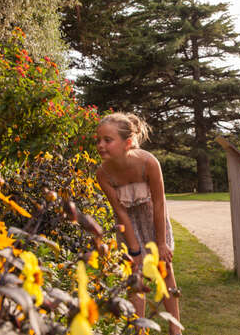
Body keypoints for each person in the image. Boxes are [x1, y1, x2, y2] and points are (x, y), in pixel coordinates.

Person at [95, 112, 182, 334]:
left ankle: (175, 329)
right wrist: (134, 250)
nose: (101, 145)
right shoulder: (103, 174)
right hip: (128, 226)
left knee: (164, 269)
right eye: (98, 140)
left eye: (108, 140)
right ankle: (139, 330)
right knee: (135, 274)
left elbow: (160, 204)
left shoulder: (148, 162)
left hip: (154, 220)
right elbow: (120, 211)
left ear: (128, 142)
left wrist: (161, 244)